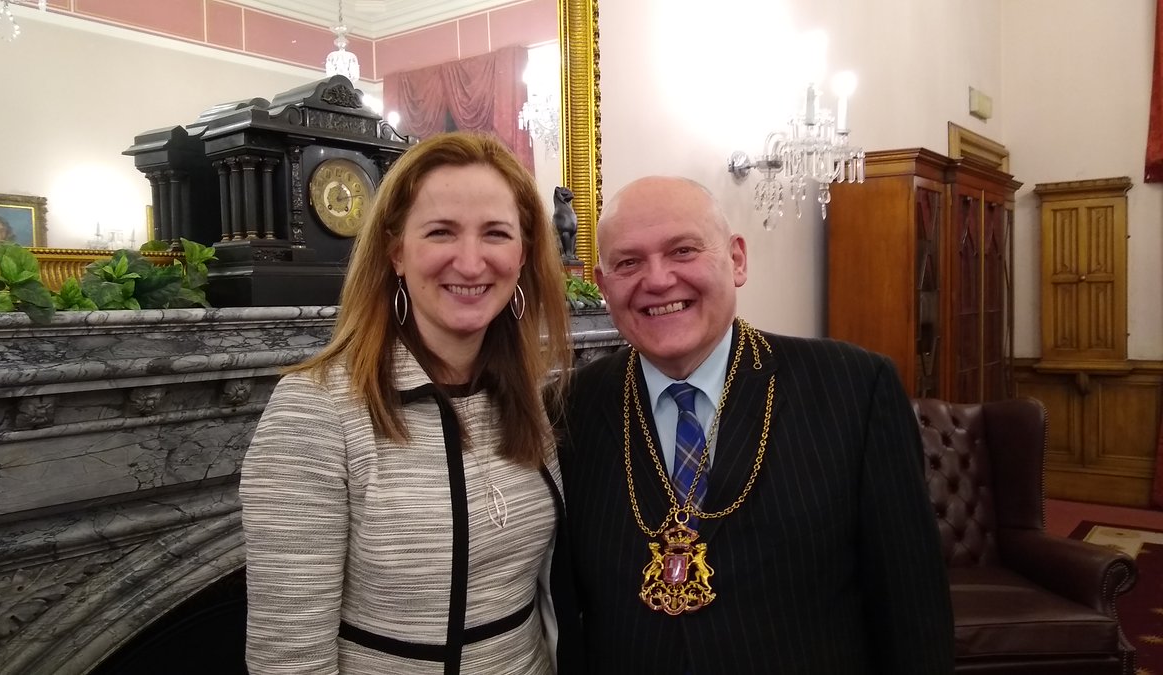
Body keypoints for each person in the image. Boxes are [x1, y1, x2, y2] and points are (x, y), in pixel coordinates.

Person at [555, 176, 954, 674]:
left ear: (737, 259)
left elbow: (912, 608)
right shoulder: (571, 405)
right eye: (628, 263)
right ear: (603, 282)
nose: (657, 280)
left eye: (683, 250)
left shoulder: (853, 389)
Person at [240, 131, 573, 675]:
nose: (470, 262)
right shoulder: (316, 410)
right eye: (441, 232)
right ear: (397, 252)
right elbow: (288, 656)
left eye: (496, 233)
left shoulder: (534, 398)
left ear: (523, 255)